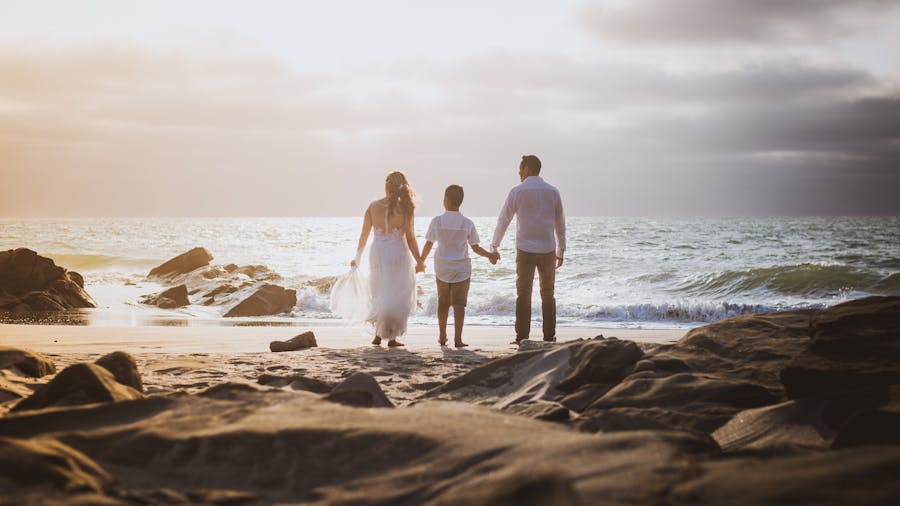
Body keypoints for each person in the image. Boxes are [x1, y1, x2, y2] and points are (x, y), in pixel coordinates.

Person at [491, 155, 566, 343]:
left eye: (520, 167)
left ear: (528, 169)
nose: (518, 171)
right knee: (548, 293)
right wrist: (561, 250)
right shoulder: (553, 192)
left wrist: (494, 245)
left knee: (523, 293)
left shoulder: (517, 191)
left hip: (525, 249)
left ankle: (522, 336)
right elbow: (560, 223)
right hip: (548, 249)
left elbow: (504, 219)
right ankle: (549, 335)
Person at [350, 171, 425, 347]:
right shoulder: (406, 208)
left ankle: (378, 335)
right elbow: (411, 238)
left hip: (377, 252)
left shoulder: (372, 206)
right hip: (397, 252)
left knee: (379, 291)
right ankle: (391, 337)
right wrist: (419, 260)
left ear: (386, 186)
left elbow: (364, 235)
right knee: (397, 293)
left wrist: (357, 258)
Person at [420, 185, 498, 348]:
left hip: (442, 267)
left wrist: (421, 261)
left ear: (446, 200)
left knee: (443, 302)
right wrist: (490, 255)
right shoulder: (467, 223)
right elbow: (475, 247)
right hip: (461, 268)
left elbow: (428, 243)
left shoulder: (437, 221)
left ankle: (442, 336)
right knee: (459, 304)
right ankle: (458, 339)